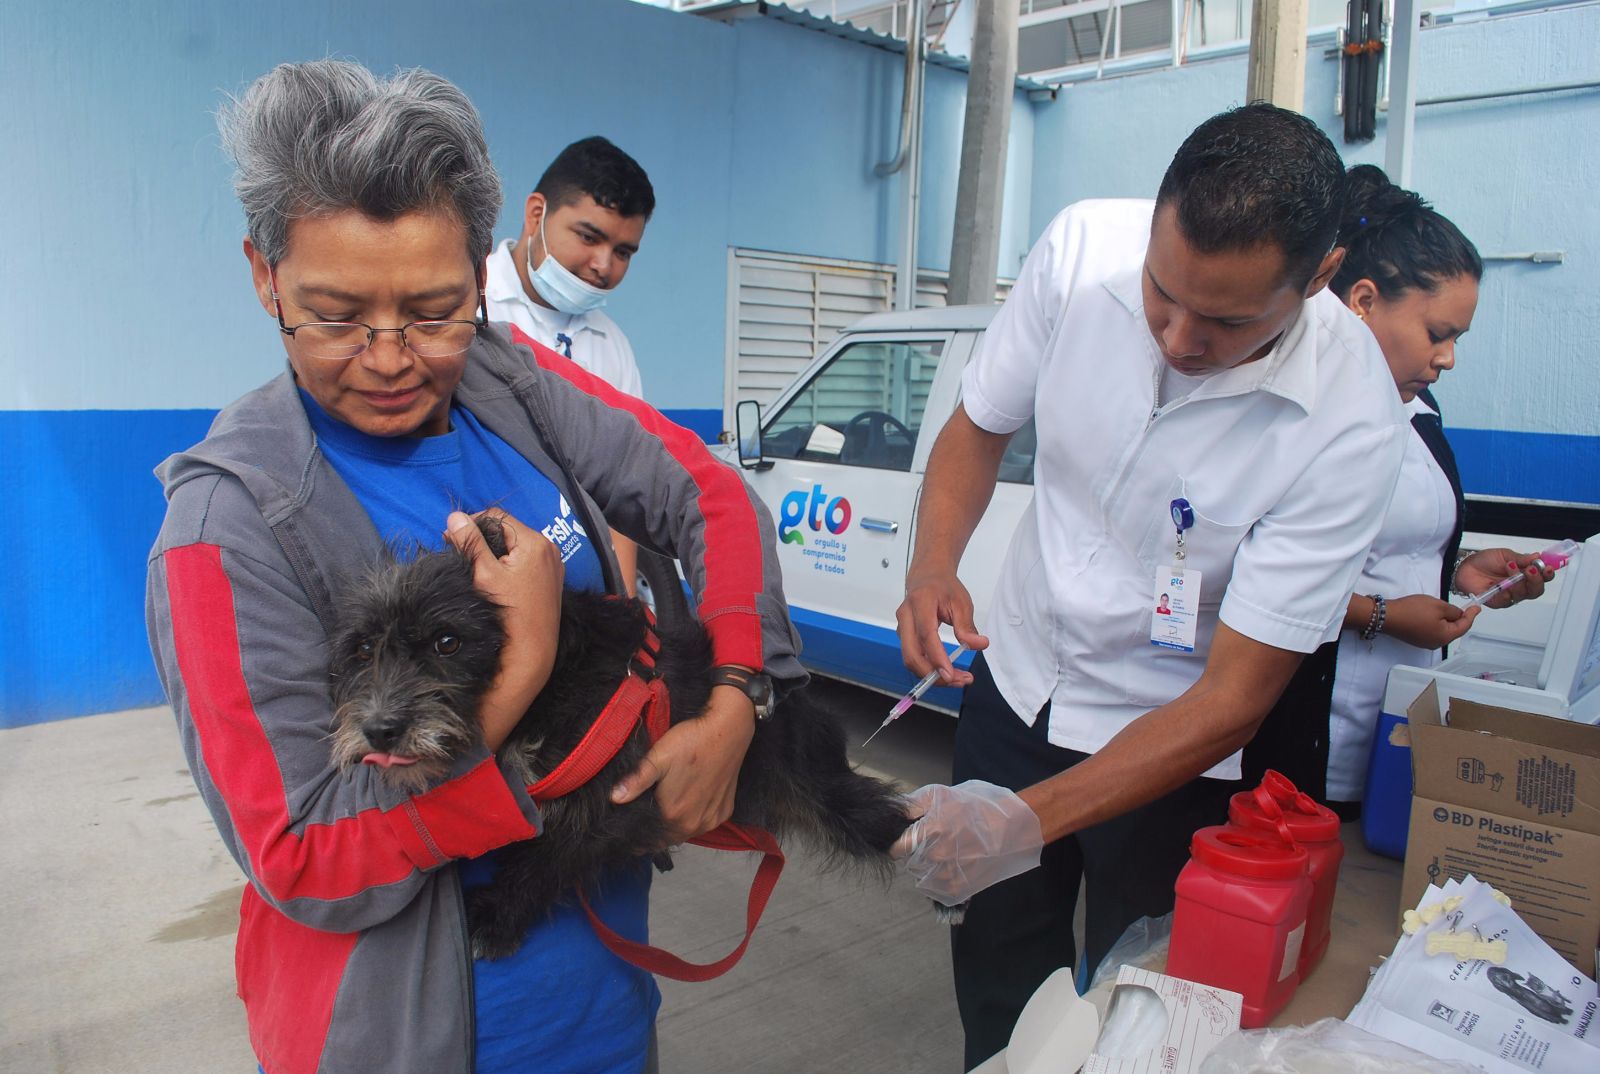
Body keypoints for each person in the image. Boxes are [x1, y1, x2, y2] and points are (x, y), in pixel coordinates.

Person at [145, 61, 799, 1074]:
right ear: (263, 274)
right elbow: (305, 858)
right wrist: (522, 667)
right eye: (335, 314)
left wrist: (735, 694)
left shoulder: (508, 382)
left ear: (477, 278)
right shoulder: (228, 526)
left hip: (604, 1013)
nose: (392, 356)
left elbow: (706, 495)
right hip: (416, 1040)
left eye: (436, 308)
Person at [892, 104, 1416, 1067]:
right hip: (1020, 681)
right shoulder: (1081, 246)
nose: (1177, 338)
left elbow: (1233, 700)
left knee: (1150, 1012)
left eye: (1225, 320)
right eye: (1161, 293)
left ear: (1321, 279)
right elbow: (979, 420)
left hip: (1171, 753)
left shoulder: (1353, 426)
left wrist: (1023, 820)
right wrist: (933, 565)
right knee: (1002, 991)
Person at [1244, 164, 1551, 809]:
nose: (1448, 359)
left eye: (1458, 339)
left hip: (1390, 724)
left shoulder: (1420, 413)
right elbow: (1243, 573)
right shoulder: (1288, 414)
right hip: (1299, 727)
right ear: (1361, 302)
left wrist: (1463, 576)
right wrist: (1385, 616)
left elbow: (1391, 547)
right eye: (1437, 335)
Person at [485, 135, 655, 593]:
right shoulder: (471, 306)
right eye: (589, 236)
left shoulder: (612, 345)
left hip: (584, 597)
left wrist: (619, 602)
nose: (604, 265)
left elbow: (625, 486)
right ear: (536, 213)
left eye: (623, 252)